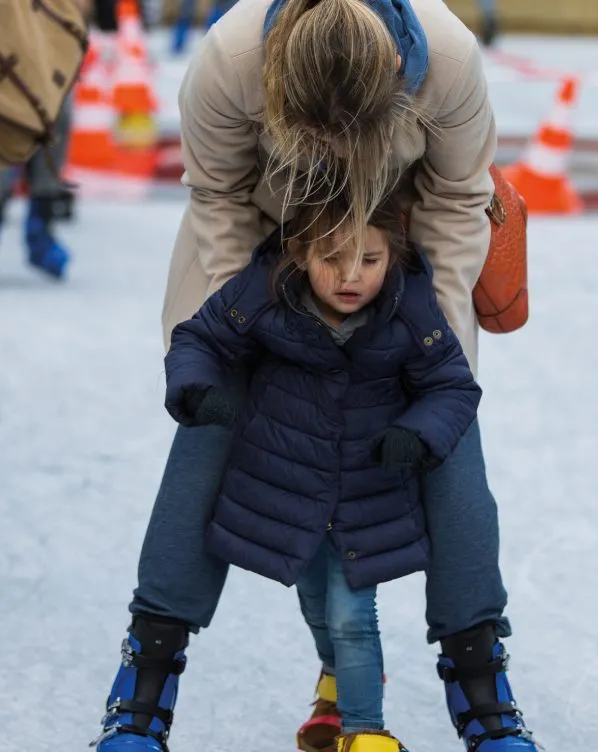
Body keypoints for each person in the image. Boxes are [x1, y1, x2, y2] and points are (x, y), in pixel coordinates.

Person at [91, 0, 539, 749]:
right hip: (263, 259)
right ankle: (146, 677)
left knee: (449, 447)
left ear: (397, 72)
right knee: (210, 436)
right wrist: (257, 320)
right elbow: (221, 195)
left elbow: (460, 201)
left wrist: (436, 345)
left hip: (398, 257)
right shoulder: (230, 60)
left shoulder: (451, 60)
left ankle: (481, 680)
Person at [162, 199, 481, 751]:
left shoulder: (409, 307)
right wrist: (198, 387)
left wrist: (418, 434)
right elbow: (200, 338)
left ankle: (366, 732)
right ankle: (334, 683)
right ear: (299, 254)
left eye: (371, 260)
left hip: (368, 491)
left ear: (393, 256)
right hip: (290, 488)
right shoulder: (265, 293)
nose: (352, 276)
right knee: (316, 606)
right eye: (332, 258)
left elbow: (451, 385)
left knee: (352, 614)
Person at [0, 0, 92, 282]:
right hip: (4, 47)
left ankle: (40, 230)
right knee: (0, 132)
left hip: (55, 47)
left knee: (57, 125)